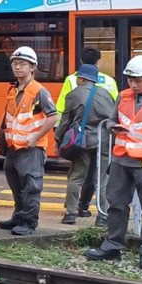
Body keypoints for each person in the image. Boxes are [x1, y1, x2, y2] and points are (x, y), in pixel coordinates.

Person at [85, 55, 142, 270]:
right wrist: (111, 127)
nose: (133, 84)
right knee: (116, 205)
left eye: (138, 80)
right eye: (130, 80)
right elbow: (111, 120)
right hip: (121, 161)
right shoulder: (123, 96)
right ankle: (112, 246)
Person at [0, 46, 57, 236]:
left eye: (23, 64)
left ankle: (29, 222)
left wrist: (35, 137)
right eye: (15, 63)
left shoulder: (39, 91)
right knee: (16, 186)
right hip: (13, 148)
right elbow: (7, 114)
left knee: (31, 187)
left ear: (32, 68)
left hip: (31, 149)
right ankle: (19, 216)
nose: (18, 67)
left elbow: (53, 116)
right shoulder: (13, 89)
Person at [55, 47, 120, 220]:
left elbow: (65, 119)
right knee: (102, 180)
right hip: (104, 140)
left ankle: (70, 214)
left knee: (76, 176)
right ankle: (103, 216)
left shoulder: (74, 93)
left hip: (82, 140)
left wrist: (58, 137)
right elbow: (114, 116)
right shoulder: (107, 91)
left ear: (82, 78)